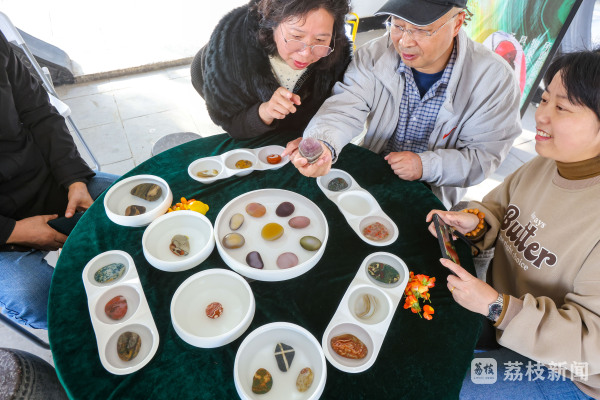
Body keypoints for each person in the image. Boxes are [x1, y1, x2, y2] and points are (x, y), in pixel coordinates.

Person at [426, 49, 600, 399]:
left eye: (562, 108)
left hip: (570, 372)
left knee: (443, 386)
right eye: (544, 99)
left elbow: (590, 345)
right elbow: (498, 208)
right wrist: (474, 222)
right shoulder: (549, 162)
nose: (541, 115)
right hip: (501, 320)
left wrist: (498, 307)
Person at [283, 0, 521, 209]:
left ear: (457, 23)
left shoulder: (494, 80)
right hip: (373, 168)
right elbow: (345, 106)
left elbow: (483, 157)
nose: (405, 42)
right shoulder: (373, 54)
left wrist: (425, 166)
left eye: (421, 30)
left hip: (432, 190)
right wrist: (323, 142)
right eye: (397, 25)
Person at [0, 31, 118, 329]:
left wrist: (74, 179)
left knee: (136, 200)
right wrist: (11, 231)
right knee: (36, 295)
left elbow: (39, 112)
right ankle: (83, 337)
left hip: (40, 180)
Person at [190, 0, 352, 140]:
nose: (306, 54)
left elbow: (340, 112)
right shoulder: (231, 51)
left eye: (320, 39)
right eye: (296, 37)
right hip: (208, 74)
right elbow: (231, 121)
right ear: (272, 23)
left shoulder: (337, 53)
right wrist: (264, 112)